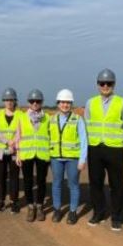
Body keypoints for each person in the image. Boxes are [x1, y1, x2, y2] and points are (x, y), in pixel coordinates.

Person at [84, 68, 123, 231]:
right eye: (102, 83)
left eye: (109, 83)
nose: (105, 86)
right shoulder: (91, 103)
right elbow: (87, 123)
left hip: (114, 149)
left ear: (114, 84)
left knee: (117, 184)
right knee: (96, 183)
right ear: (97, 85)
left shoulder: (122, 102)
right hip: (95, 148)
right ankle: (99, 213)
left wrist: (118, 141)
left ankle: (116, 217)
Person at [49, 89, 88, 225]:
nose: (65, 105)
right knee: (57, 184)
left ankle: (72, 211)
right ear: (58, 103)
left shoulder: (78, 120)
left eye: (68, 102)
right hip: (56, 158)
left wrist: (82, 160)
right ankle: (57, 210)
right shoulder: (52, 119)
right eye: (62, 102)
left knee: (73, 185)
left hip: (73, 159)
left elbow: (84, 140)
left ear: (71, 104)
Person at [15, 89, 50, 222]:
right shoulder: (22, 117)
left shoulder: (47, 118)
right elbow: (18, 136)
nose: (35, 103)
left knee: (41, 182)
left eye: (38, 101)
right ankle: (31, 207)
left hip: (42, 154)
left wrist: (51, 154)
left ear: (42, 102)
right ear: (29, 102)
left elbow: (51, 136)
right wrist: (18, 154)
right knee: (28, 182)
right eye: (32, 101)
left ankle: (40, 207)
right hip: (27, 153)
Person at [0, 87, 23, 214]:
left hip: (15, 151)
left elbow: (21, 131)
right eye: (7, 100)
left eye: (11, 99)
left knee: (14, 177)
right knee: (0, 176)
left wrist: (14, 143)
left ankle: (14, 202)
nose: (9, 102)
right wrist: (7, 141)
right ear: (4, 101)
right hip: (0, 150)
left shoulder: (20, 115)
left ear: (15, 100)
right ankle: (1, 201)